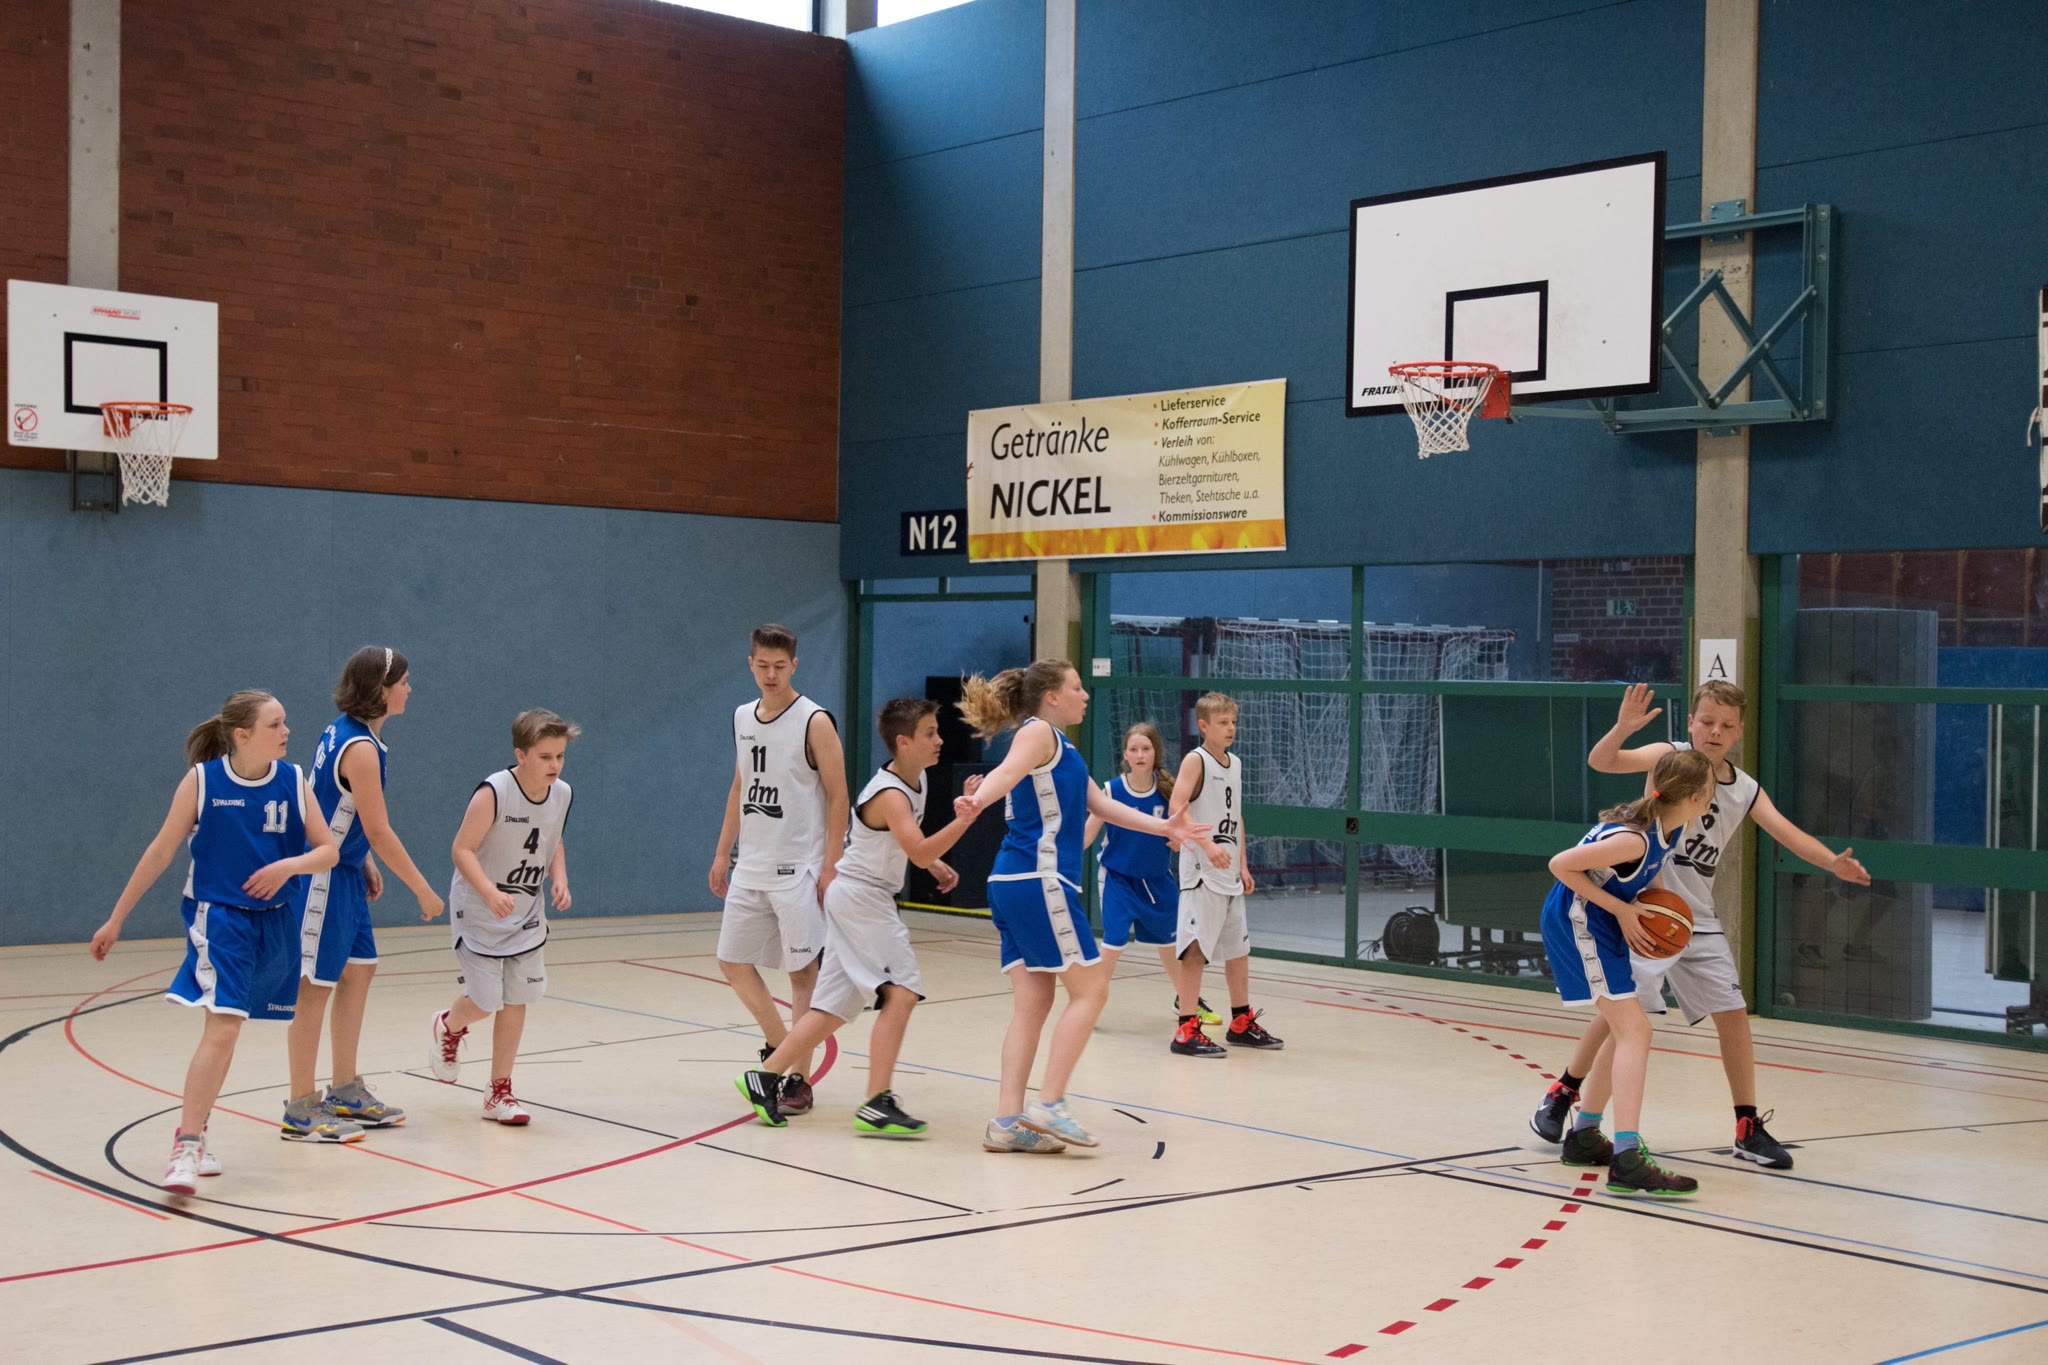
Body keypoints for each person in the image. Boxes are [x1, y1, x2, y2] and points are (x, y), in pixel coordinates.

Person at [1530, 682, 1871, 1170]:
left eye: (1726, 725)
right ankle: (1573, 1102)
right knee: (1623, 1021)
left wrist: (1830, 862)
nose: (1715, 731)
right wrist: (1622, 730)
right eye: (1706, 721)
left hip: (1694, 917)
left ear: (1739, 731)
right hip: (1644, 910)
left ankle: (1746, 1125)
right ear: (1690, 722)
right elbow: (1603, 762)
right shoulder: (1669, 758)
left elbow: (1787, 832)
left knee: (1731, 1011)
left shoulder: (1745, 788)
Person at [954, 660, 1208, 1153]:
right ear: (1051, 696)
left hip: (1012, 881)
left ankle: (1007, 1122)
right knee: (1091, 991)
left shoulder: (1064, 749)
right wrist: (977, 800)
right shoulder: (1038, 733)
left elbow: (1102, 806)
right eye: (1076, 686)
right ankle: (1050, 1104)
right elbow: (1005, 772)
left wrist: (1165, 827)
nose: (1085, 694)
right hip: (1038, 878)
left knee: (1033, 1005)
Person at [91, 691, 339, 1192]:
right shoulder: (203, 781)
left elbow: (328, 851)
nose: (287, 731)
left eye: (285, 722)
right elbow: (160, 851)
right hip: (219, 918)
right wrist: (116, 919)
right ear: (243, 735)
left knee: (230, 1030)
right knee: (224, 1026)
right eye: (275, 724)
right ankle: (185, 1146)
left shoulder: (294, 780)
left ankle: (197, 1131)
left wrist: (287, 867)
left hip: (276, 921)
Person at [737, 698, 977, 1135]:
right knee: (901, 993)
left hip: (855, 895)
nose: (939, 740)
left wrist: (933, 864)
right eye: (930, 733)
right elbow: (918, 850)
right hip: (864, 899)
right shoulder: (891, 794)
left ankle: (765, 1075)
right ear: (904, 742)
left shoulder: (915, 778)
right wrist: (964, 820)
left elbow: (905, 845)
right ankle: (876, 1103)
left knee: (834, 1006)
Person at [1539, 747, 1715, 1197]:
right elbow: (1560, 865)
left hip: (1603, 919)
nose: (1712, 799)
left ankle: (1584, 1135)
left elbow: (1650, 875)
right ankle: (1627, 1158)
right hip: (1579, 920)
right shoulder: (1634, 839)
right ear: (1695, 797)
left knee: (1624, 1030)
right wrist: (1621, 910)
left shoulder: (1669, 828)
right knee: (1636, 1029)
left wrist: (1658, 914)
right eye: (1710, 791)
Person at [290, 646, 445, 1141]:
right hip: (324, 880)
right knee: (314, 989)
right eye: (403, 682)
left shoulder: (348, 734)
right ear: (381, 690)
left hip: (346, 872)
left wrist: (362, 860)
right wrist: (422, 889)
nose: (410, 689)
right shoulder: (358, 748)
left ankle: (344, 1089)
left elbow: (332, 806)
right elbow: (378, 828)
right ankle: (300, 1106)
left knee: (359, 971)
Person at [708, 623, 849, 1117]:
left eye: (780, 666)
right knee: (731, 962)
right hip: (752, 864)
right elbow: (739, 787)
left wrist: (831, 866)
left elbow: (839, 795)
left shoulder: (814, 721)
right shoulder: (742, 716)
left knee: (801, 974)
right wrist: (723, 852)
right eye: (763, 665)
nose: (771, 674)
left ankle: (798, 1081)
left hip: (799, 868)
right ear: (751, 664)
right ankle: (779, 1046)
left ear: (794, 666)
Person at [428, 710, 578, 1125]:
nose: (554, 765)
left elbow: (552, 839)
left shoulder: (562, 794)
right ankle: (448, 1025)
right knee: (484, 1002)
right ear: (521, 754)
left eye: (560, 756)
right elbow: (461, 850)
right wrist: (489, 892)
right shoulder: (494, 792)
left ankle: (499, 1091)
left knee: (516, 999)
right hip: (480, 906)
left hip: (526, 911)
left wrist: (559, 878)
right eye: (545, 757)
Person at [1167, 693, 1283, 1057]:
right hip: (1202, 871)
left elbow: (1236, 817)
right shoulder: (1196, 760)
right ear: (1204, 726)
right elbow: (1176, 807)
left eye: (1233, 722)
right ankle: (1186, 1029)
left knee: (1238, 949)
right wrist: (1206, 845)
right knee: (1195, 951)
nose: (1231, 728)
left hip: (1229, 871)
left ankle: (1241, 1022)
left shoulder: (1235, 764)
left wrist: (1242, 864)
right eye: (1223, 722)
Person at [1082, 723, 1219, 1024]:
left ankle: (1186, 1000)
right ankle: (1088, 1005)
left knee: (1172, 946)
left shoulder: (1168, 791)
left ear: (1156, 752)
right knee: (1113, 944)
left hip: (1157, 881)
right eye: (1134, 749)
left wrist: (1179, 840)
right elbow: (1086, 838)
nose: (1140, 755)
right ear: (1125, 755)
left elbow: (1184, 830)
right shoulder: (1111, 791)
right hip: (1118, 879)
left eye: (1146, 749)